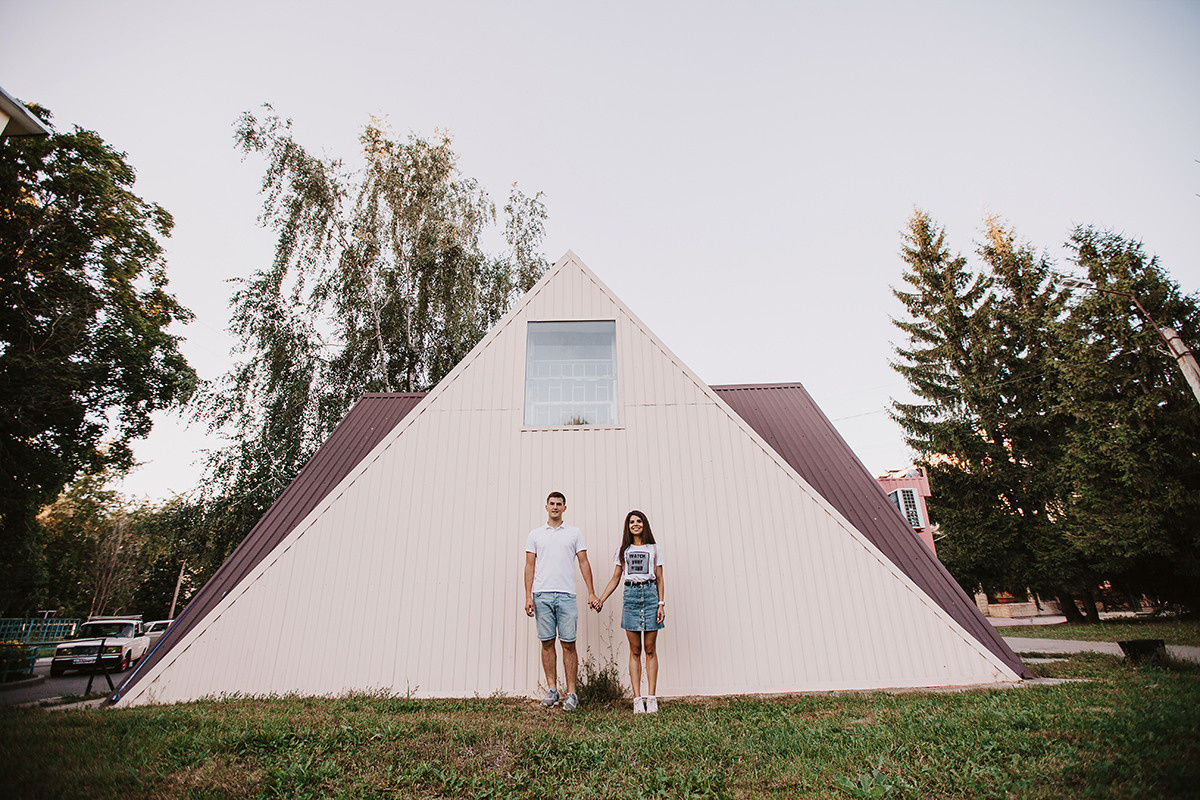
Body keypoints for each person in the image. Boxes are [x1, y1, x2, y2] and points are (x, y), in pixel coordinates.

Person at [524, 491, 599, 711]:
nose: (555, 507)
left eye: (559, 504)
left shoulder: (574, 533)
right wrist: (528, 595)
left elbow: (584, 563)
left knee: (568, 644)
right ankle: (552, 690)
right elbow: (529, 566)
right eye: (552, 504)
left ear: (564, 508)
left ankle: (572, 693)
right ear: (546, 507)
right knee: (547, 642)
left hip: (566, 595)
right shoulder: (535, 535)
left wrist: (592, 592)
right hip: (542, 595)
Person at [595, 509, 665, 714]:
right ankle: (637, 699)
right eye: (632, 522)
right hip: (631, 597)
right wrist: (601, 599)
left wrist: (661, 603)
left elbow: (660, 578)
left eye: (639, 521)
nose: (635, 524)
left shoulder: (654, 549)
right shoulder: (623, 550)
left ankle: (651, 698)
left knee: (650, 648)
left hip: (651, 596)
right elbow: (616, 578)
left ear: (645, 524)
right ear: (627, 526)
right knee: (635, 650)